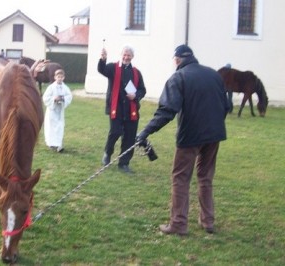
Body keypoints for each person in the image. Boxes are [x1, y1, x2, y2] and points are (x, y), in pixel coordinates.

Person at [136, 44, 229, 235]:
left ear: (177, 60)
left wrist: (145, 132)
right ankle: (207, 221)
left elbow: (166, 111)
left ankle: (178, 224)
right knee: (205, 177)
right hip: (214, 135)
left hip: (190, 136)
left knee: (180, 177)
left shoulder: (178, 77)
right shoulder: (214, 75)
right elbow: (227, 106)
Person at [98, 45, 146, 173]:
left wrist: (135, 96)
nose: (126, 57)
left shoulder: (136, 72)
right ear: (121, 55)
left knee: (129, 137)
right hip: (116, 107)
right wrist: (103, 59)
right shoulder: (113, 68)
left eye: (129, 55)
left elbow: (142, 90)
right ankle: (107, 153)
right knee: (115, 132)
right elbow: (102, 70)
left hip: (131, 109)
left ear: (132, 57)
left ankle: (124, 163)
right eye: (124, 54)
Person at [42, 69, 73, 152]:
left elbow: (69, 96)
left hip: (60, 111)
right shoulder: (51, 87)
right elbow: (45, 98)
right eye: (58, 77)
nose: (60, 78)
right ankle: (51, 143)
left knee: (59, 127)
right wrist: (54, 99)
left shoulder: (65, 88)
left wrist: (63, 99)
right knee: (51, 127)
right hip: (52, 111)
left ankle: (59, 145)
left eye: (61, 77)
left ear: (63, 78)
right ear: (55, 77)